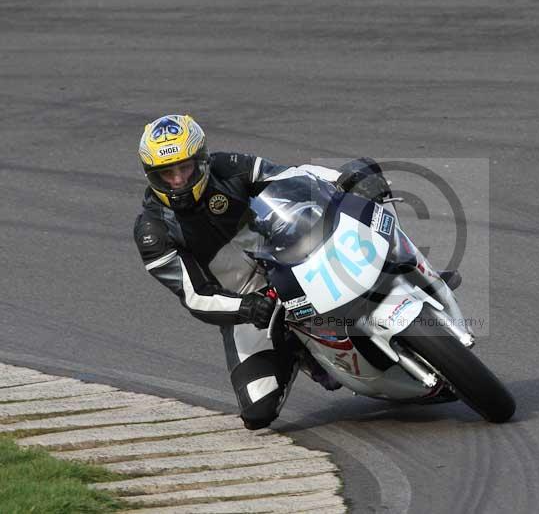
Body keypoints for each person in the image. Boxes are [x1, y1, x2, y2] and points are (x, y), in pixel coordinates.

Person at [133, 114, 392, 430]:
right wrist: (245, 308)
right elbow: (195, 297)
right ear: (150, 176)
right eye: (166, 174)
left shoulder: (229, 166)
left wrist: (344, 180)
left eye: (184, 169)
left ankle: (409, 274)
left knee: (362, 227)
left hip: (292, 258)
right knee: (258, 412)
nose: (177, 181)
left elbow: (296, 179)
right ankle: (298, 350)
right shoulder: (153, 231)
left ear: (201, 161)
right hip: (250, 303)